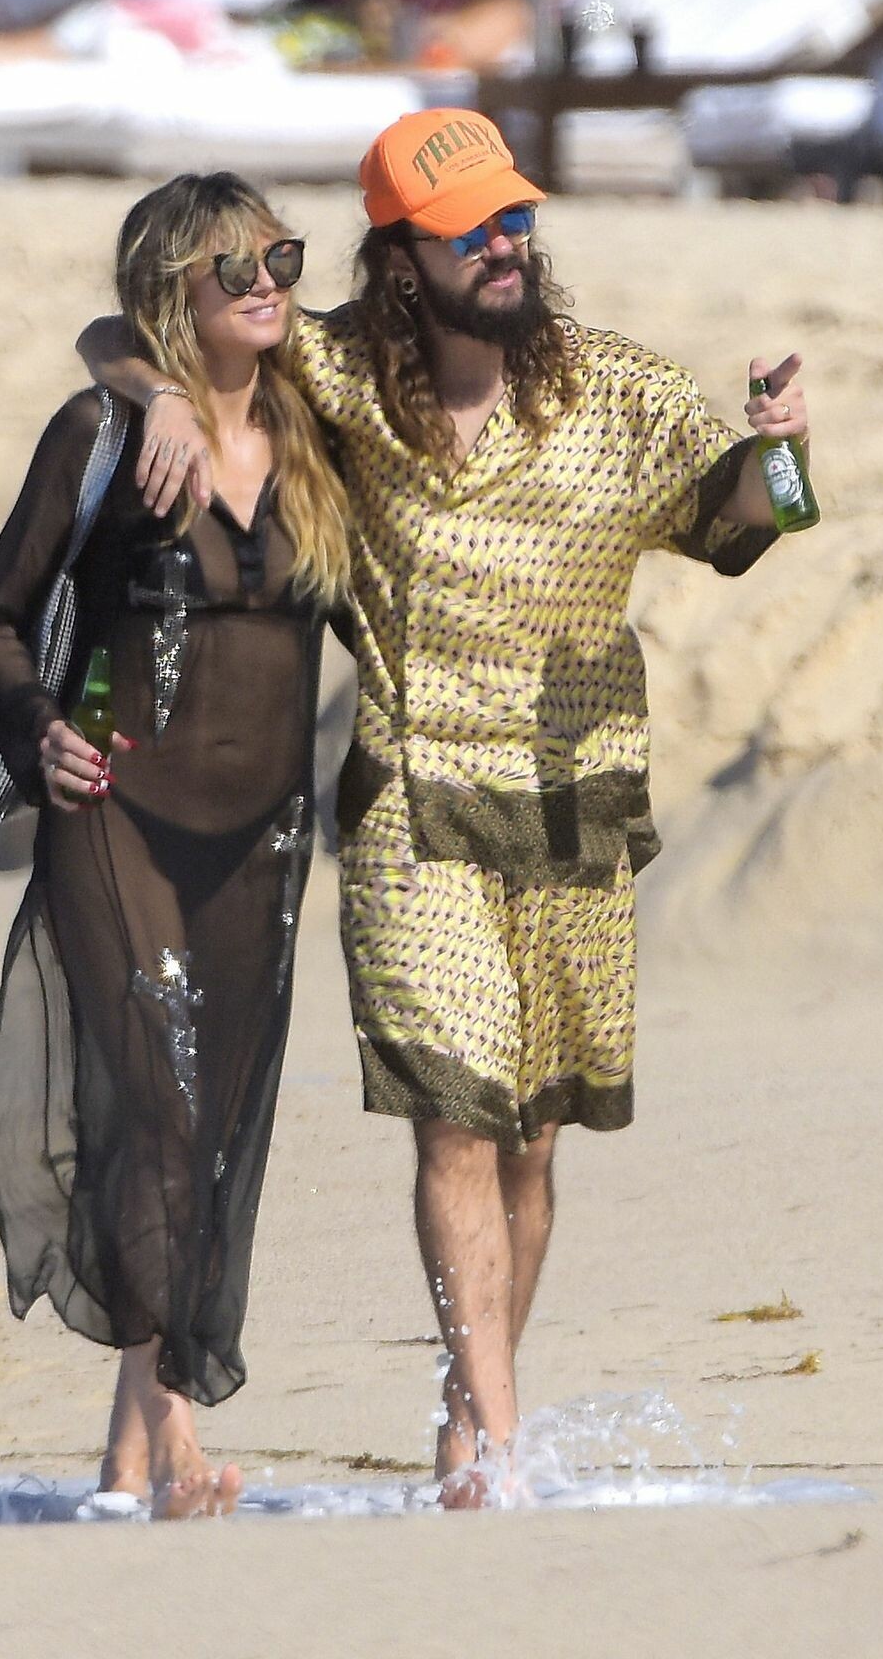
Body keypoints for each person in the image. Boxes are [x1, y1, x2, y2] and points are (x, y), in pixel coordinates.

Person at [77, 108, 811, 1505]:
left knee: (532, 1143)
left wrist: (780, 449)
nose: (505, 243)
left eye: (516, 216)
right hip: (412, 800)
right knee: (457, 1123)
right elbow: (127, 332)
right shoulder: (339, 370)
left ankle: (468, 1430)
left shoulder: (620, 389)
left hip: (578, 808)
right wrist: (159, 395)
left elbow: (735, 524)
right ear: (400, 257)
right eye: (472, 228)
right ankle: (504, 1448)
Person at [0, 172, 351, 1518]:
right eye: (234, 269)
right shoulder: (104, 433)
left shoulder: (318, 428)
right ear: (170, 291)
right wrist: (36, 733)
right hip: (113, 819)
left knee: (213, 1126)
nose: (270, 285)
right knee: (163, 1114)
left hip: (261, 837)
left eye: (283, 258)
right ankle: (177, 1437)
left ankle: (126, 1457)